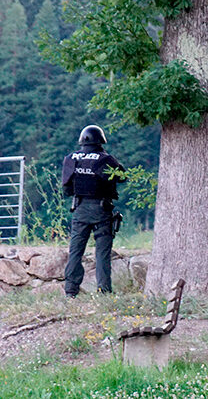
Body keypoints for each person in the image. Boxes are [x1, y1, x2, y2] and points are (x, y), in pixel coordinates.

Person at [61, 125, 125, 297]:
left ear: (82, 141)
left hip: (79, 209)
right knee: (102, 253)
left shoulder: (71, 158)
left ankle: (70, 292)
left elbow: (66, 189)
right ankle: (103, 291)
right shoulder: (104, 159)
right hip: (101, 210)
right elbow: (122, 176)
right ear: (101, 140)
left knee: (75, 251)